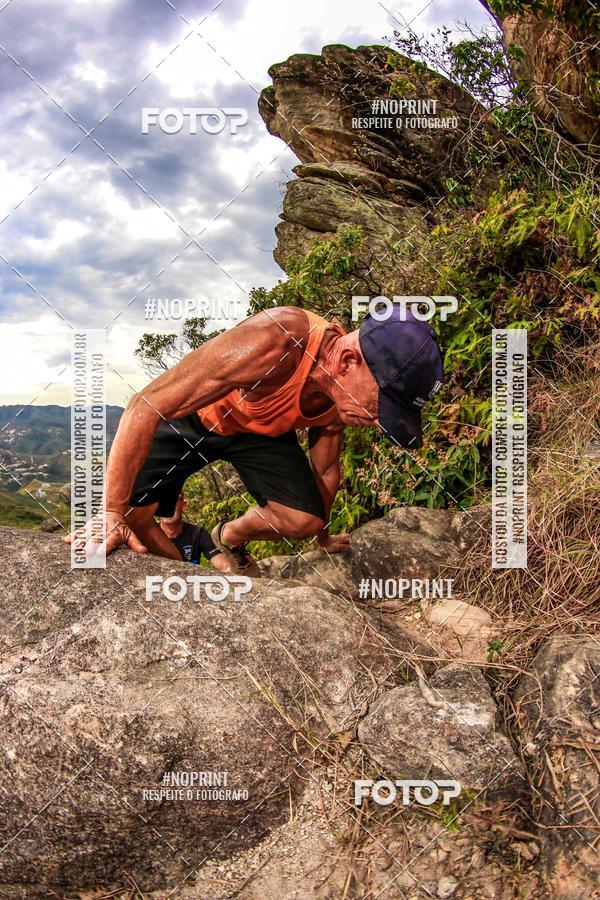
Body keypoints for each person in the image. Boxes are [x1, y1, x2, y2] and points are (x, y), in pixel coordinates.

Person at [67, 304, 444, 574]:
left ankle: (226, 536)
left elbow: (326, 470)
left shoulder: (339, 398)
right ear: (348, 362)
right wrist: (110, 513)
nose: (379, 422)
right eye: (382, 407)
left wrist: (323, 538)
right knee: (133, 519)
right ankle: (189, 578)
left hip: (258, 434)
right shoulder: (275, 340)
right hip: (197, 419)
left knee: (303, 520)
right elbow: (144, 405)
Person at [158, 491, 230, 571]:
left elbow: (223, 565)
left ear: (184, 506)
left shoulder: (198, 533)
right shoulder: (149, 535)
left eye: (172, 501)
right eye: (162, 503)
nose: (167, 507)